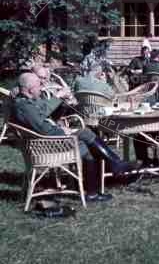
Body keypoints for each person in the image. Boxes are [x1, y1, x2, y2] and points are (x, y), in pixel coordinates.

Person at [10, 73, 138, 203]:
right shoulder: (23, 106)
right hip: (47, 145)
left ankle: (108, 174)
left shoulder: (27, 102)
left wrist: (64, 104)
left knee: (86, 141)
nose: (42, 87)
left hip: (48, 140)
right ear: (31, 89)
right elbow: (43, 128)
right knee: (86, 135)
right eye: (39, 85)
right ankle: (114, 168)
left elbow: (44, 117)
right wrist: (64, 129)